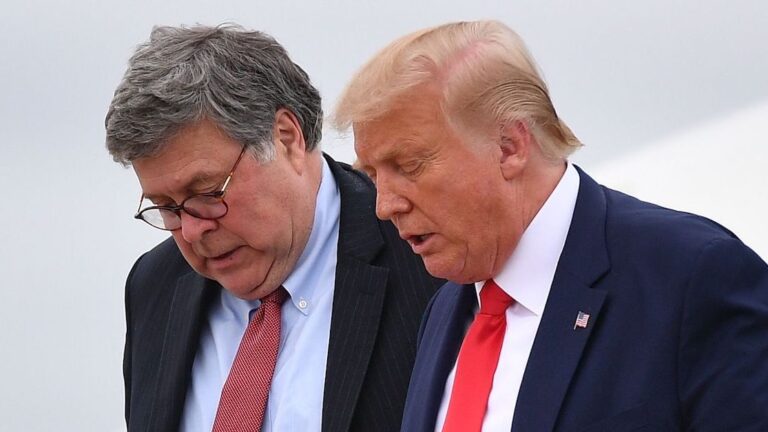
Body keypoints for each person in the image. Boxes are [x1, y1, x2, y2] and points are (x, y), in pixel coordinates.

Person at [332, 20, 768, 431]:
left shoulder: (691, 275)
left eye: (408, 165)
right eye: (372, 176)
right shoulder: (444, 308)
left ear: (509, 146)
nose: (384, 206)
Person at [105, 24, 442, 432]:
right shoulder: (154, 285)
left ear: (287, 138)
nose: (191, 231)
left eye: (208, 192)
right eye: (166, 208)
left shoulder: (426, 257)